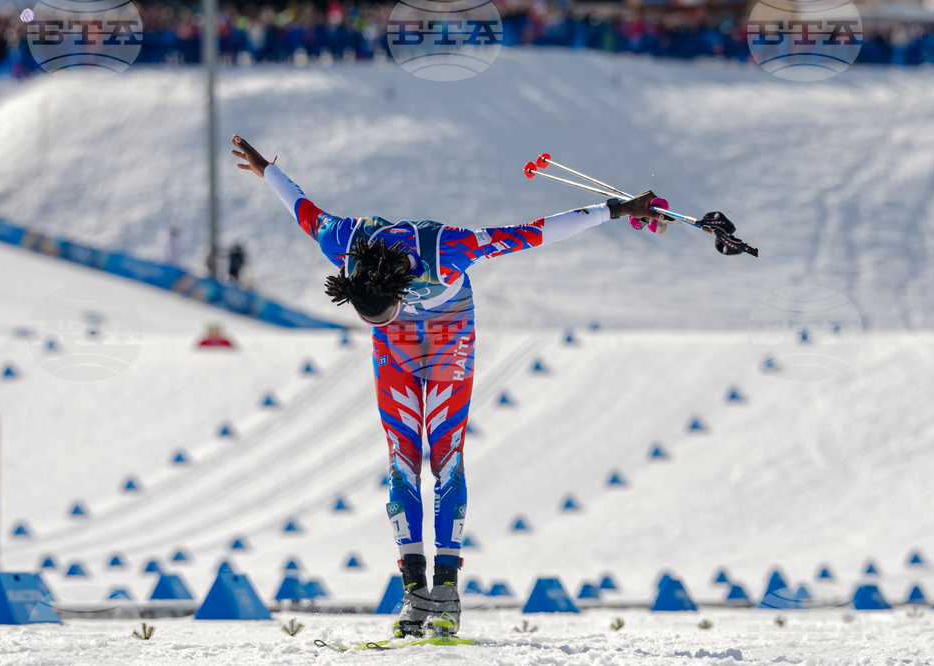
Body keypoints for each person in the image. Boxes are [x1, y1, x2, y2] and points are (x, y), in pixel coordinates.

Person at [230, 134, 668, 638]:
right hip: (396, 345)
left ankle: (446, 590)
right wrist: (266, 169)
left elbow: (535, 232)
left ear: (398, 289)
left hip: (447, 337)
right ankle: (415, 593)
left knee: (445, 456)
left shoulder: (446, 249)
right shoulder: (343, 243)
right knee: (402, 458)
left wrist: (616, 208)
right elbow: (302, 207)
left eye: (385, 311)